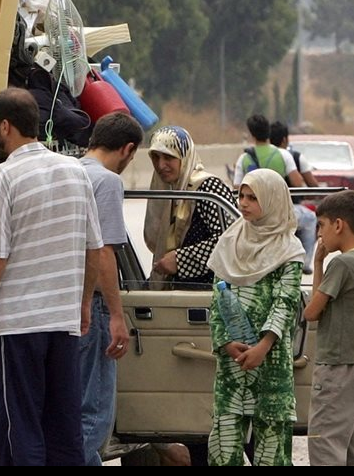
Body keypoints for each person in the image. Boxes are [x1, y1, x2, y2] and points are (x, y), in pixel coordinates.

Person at [0, 88, 103, 466]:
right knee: (63, 430)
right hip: (63, 323)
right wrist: (84, 302)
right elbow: (95, 249)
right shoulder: (76, 171)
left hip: (17, 327)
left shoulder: (2, 177)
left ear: (6, 126)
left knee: (18, 430)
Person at [205, 169, 305, 466]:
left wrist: (263, 346)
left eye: (253, 198)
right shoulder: (230, 241)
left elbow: (285, 303)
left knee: (272, 448)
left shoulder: (289, 250)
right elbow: (217, 299)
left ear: (272, 201)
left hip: (270, 361)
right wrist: (225, 343)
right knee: (224, 446)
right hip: (233, 361)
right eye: (242, 196)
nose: (244, 203)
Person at [77, 112, 141, 465]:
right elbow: (103, 253)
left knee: (67, 409)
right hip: (93, 307)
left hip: (61, 306)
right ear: (127, 150)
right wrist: (117, 315)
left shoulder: (68, 171)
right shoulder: (107, 182)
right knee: (95, 413)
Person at [302, 189, 354, 466]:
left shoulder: (342, 264)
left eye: (321, 225)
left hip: (335, 367)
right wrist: (320, 261)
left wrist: (319, 263)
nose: (319, 234)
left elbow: (312, 312)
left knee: (326, 443)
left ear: (338, 225)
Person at [144, 126, 236, 287]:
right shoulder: (172, 190)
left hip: (211, 293)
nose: (160, 165)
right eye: (155, 157)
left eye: (168, 157)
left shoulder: (208, 188)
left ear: (184, 156)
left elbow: (231, 241)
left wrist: (180, 260)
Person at [270, 120, 321, 274]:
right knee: (311, 218)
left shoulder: (253, 156)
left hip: (264, 210)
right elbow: (311, 185)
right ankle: (305, 262)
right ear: (285, 139)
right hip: (290, 210)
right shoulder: (295, 157)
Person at [232, 114, 305, 189]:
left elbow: (237, 187)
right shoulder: (284, 154)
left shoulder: (243, 158)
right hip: (278, 199)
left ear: (252, 135)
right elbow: (297, 183)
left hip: (255, 200)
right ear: (268, 131)